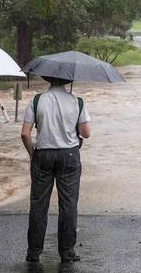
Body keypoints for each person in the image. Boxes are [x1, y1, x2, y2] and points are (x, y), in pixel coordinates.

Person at [21, 76, 91, 262]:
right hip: (69, 155)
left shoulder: (36, 100)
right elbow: (86, 133)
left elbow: (25, 133)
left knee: (38, 204)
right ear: (67, 80)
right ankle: (67, 251)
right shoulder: (77, 102)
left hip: (42, 155)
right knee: (68, 204)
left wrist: (32, 154)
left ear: (48, 79)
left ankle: (34, 252)